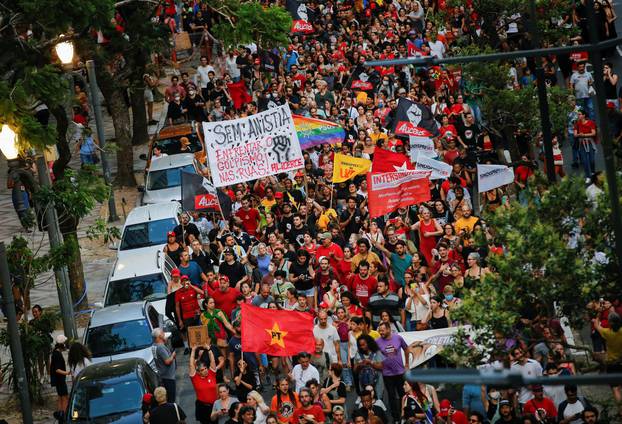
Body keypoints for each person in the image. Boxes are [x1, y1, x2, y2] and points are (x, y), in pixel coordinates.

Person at [375, 322, 410, 421]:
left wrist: (407, 364)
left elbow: (406, 349)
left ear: (389, 329)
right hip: (387, 374)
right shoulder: (377, 341)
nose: (380, 332)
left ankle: (405, 415)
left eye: (382, 330)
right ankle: (396, 418)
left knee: (403, 394)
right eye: (379, 330)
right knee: (391, 396)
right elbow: (372, 353)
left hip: (400, 372)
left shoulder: (398, 338)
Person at [592, 311, 622, 406]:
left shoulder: (607, 332)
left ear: (610, 323)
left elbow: (596, 325)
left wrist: (598, 314)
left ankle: (621, 410)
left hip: (612, 364)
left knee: (615, 388)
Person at [190, 344, 218, 424]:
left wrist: (209, 349)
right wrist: (193, 350)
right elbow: (191, 364)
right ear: (198, 372)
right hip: (202, 407)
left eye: (205, 368)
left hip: (214, 405)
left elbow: (212, 361)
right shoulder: (195, 378)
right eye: (202, 370)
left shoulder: (211, 373)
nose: (205, 370)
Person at [176, 275, 204, 354]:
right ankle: (193, 354)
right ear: (181, 283)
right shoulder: (178, 292)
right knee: (191, 336)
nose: (185, 282)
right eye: (183, 281)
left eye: (186, 280)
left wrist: (191, 285)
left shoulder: (193, 288)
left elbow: (202, 293)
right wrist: (180, 320)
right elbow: (177, 307)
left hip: (196, 315)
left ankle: (201, 352)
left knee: (199, 334)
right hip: (186, 317)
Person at [152, 328, 177, 402]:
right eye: (163, 333)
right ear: (159, 336)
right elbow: (167, 361)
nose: (164, 334)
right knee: (171, 399)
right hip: (168, 377)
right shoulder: (160, 347)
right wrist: (173, 355)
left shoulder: (154, 345)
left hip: (163, 375)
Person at [50, 335, 70, 421]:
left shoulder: (55, 352)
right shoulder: (57, 354)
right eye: (65, 343)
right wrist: (68, 373)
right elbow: (57, 369)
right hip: (60, 380)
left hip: (58, 380)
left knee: (60, 397)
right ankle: (65, 415)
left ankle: (60, 414)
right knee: (64, 397)